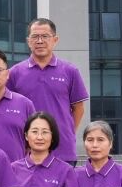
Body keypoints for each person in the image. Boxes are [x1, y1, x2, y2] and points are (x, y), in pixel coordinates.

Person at [8, 18, 90, 161]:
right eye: (35, 37)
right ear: (28, 41)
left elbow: (78, 108)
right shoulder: (15, 73)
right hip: (26, 151)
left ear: (55, 40)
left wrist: (66, 133)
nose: (40, 41)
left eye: (45, 36)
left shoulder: (70, 71)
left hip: (62, 150)